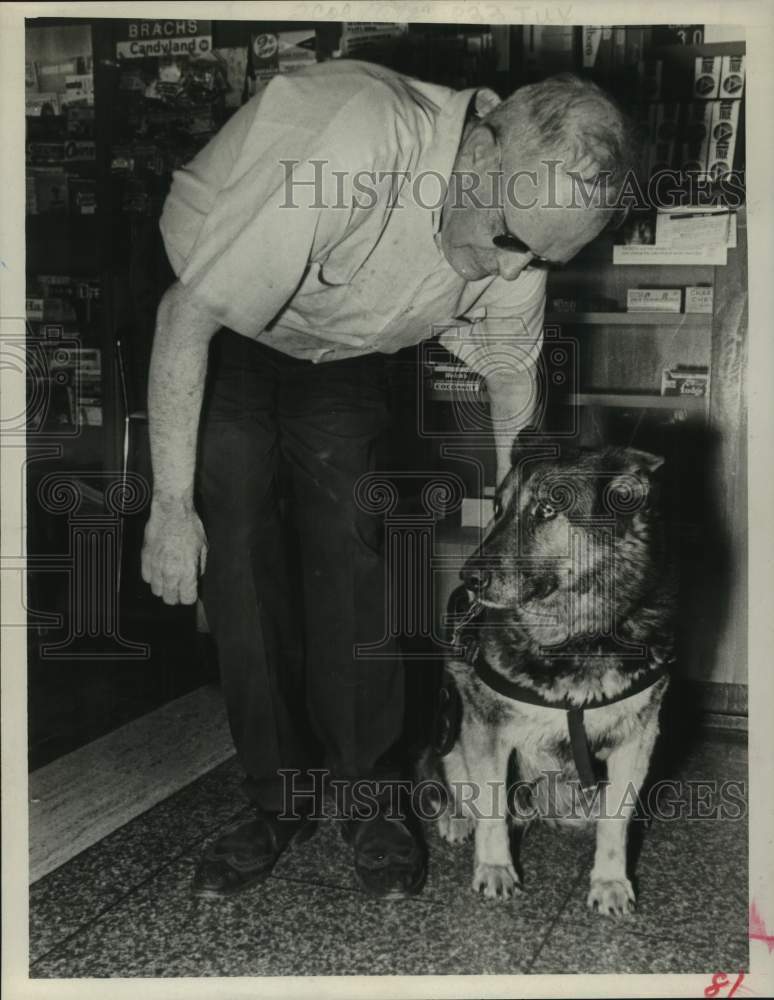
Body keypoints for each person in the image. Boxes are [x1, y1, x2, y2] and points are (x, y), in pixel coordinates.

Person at [141, 60, 638, 900]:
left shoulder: (522, 225)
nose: (514, 274)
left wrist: (527, 544)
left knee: (358, 560)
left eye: (541, 259)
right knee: (238, 559)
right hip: (220, 331)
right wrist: (170, 506)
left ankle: (372, 801)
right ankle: (275, 800)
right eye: (514, 243)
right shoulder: (354, 140)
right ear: (479, 155)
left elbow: (514, 384)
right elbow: (183, 316)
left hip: (340, 350)